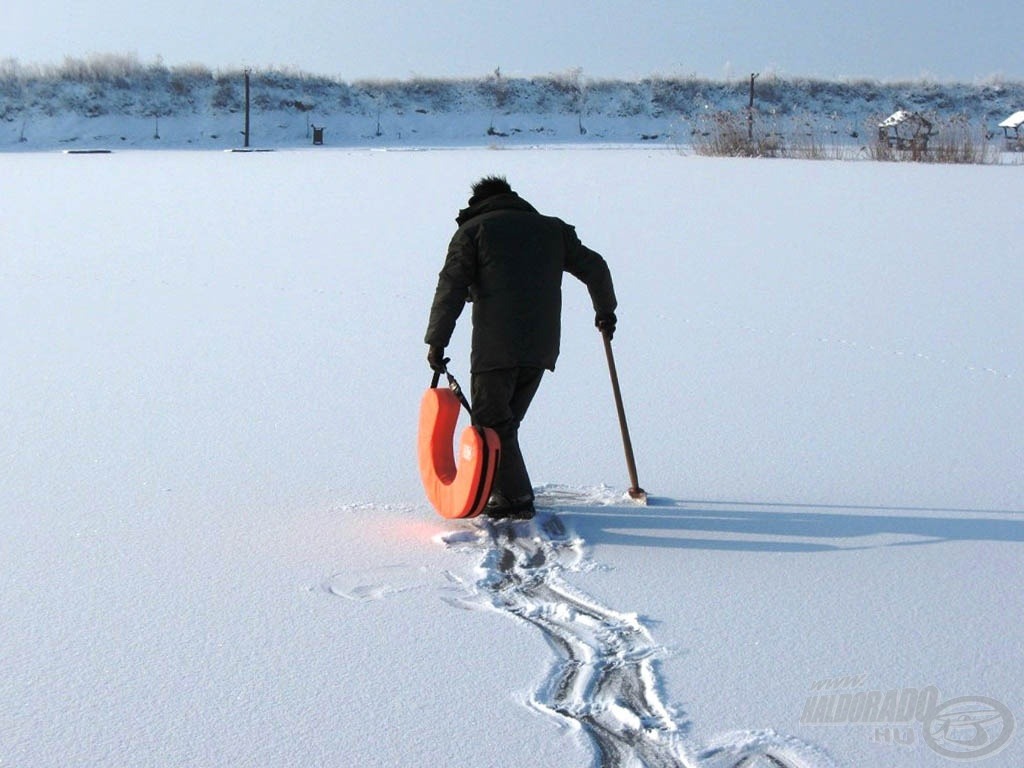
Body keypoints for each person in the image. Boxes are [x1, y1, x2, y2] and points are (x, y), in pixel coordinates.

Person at [424, 176, 617, 520]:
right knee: (503, 424)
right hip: (541, 347)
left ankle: (516, 498)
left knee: (492, 424)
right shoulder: (551, 230)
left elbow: (451, 287)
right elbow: (596, 267)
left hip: (495, 347)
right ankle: (501, 491)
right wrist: (605, 312)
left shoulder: (473, 232)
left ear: (477, 203)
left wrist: (437, 341)